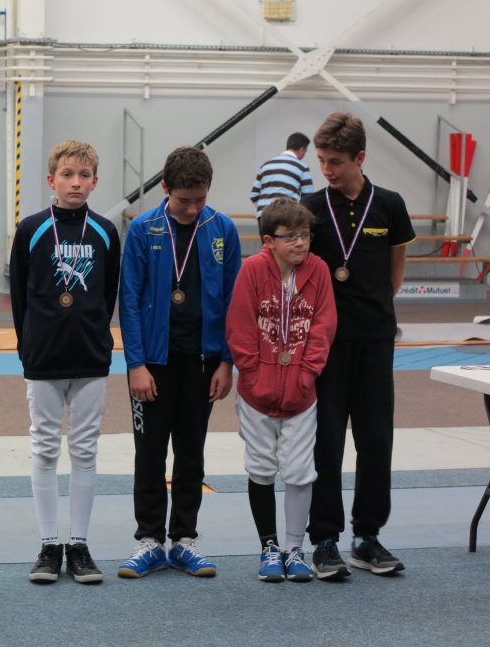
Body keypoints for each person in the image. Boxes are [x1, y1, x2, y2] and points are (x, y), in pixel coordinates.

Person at [118, 146, 241, 578]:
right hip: (153, 364)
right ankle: (149, 541)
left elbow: (234, 301)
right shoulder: (143, 229)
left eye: (200, 200)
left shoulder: (222, 228)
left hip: (203, 363)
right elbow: (129, 300)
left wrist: (227, 362)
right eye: (184, 200)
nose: (192, 209)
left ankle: (184, 539)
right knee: (150, 453)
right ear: (166, 188)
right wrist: (136, 364)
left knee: (192, 452)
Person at [302, 112, 414, 579]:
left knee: (375, 439)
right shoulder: (310, 206)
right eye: (322, 161)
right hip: (326, 342)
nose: (326, 170)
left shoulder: (389, 205)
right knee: (325, 441)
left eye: (336, 162)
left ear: (360, 157)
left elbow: (395, 267)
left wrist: (377, 310)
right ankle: (324, 540)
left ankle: (367, 538)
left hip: (375, 338)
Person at [9, 141, 121, 585]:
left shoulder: (105, 232)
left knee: (85, 448)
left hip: (90, 356)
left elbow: (108, 294)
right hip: (44, 355)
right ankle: (48, 544)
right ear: (51, 180)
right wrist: (28, 345)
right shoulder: (31, 229)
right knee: (44, 446)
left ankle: (79, 544)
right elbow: (20, 294)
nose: (76, 183)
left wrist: (96, 336)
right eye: (68, 175)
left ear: (95, 181)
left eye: (84, 175)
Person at [226, 198, 337, 583]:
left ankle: (294, 548)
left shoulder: (318, 270)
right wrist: (253, 374)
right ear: (269, 240)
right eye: (290, 236)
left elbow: (324, 325)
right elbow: (240, 326)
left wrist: (308, 373)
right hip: (256, 394)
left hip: (302, 394)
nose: (300, 243)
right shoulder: (252, 270)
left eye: (305, 235)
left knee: (301, 471)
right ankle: (269, 547)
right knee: (261, 468)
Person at [250, 132, 314, 230]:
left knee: (267, 240)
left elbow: (253, 195)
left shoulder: (265, 165)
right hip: (287, 215)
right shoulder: (302, 167)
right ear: (302, 149)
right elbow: (308, 198)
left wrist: (266, 208)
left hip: (263, 215)